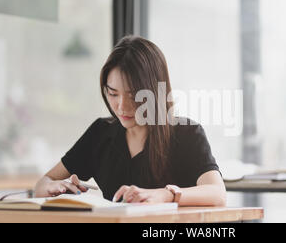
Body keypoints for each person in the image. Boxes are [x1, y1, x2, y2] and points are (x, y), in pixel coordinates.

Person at [34, 36, 226, 206]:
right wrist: (54, 188)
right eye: (113, 94)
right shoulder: (101, 132)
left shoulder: (186, 133)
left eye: (133, 96)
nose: (121, 107)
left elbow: (217, 194)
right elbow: (44, 183)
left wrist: (165, 195)